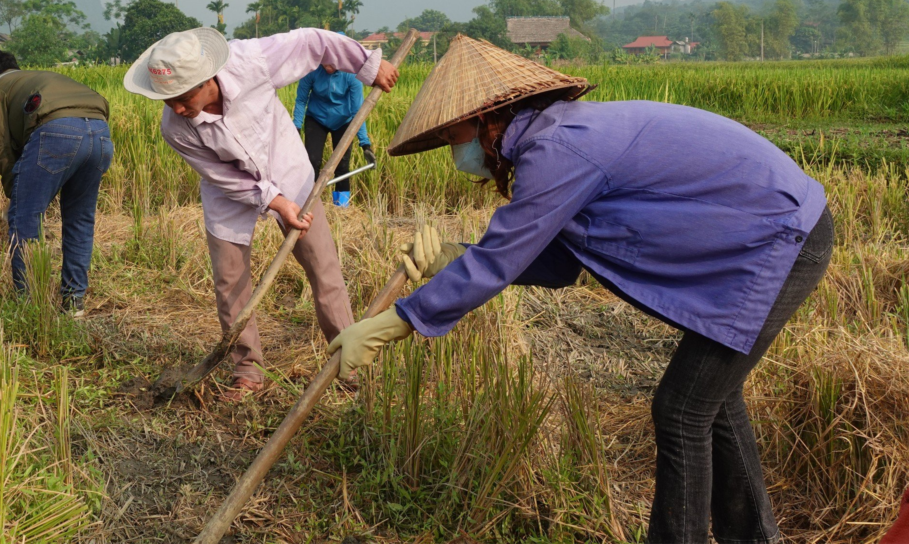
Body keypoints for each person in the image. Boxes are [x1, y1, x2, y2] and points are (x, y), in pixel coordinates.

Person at [329, 35, 833, 543]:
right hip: (765, 236)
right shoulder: (557, 134)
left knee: (681, 409)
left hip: (779, 239)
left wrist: (393, 323)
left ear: (485, 117)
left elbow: (502, 259)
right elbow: (553, 258)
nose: (452, 148)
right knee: (711, 400)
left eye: (452, 132)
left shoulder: (557, 149)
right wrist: (456, 257)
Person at [123, 27, 398, 401]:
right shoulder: (175, 128)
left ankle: (348, 359)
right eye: (167, 100)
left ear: (207, 80)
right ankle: (247, 368)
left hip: (288, 169)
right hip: (231, 193)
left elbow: (312, 43)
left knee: (323, 266)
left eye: (183, 97)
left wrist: (368, 67)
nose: (177, 108)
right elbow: (221, 176)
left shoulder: (250, 62)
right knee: (230, 281)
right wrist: (273, 201)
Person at [0, 51, 112, 315]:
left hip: (55, 132)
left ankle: (30, 304)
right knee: (80, 219)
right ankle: (74, 303)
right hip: (100, 133)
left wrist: (13, 193)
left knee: (25, 218)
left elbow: (0, 141)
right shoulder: (35, 78)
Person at [292, 58, 377, 207]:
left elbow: (358, 111)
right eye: (325, 62)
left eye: (332, 63)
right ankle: (311, 206)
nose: (328, 67)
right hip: (316, 118)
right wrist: (296, 128)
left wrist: (365, 144)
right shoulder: (312, 71)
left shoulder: (352, 75)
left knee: (342, 165)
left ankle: (341, 207)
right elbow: (301, 101)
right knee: (312, 161)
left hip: (343, 121)